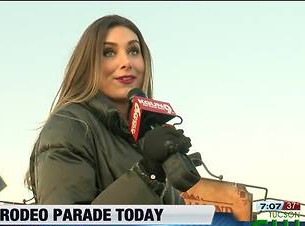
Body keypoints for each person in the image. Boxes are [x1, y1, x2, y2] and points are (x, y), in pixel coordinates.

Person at [27, 15, 197, 205]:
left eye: (133, 51)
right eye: (108, 52)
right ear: (88, 64)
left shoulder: (146, 135)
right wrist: (147, 172)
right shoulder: (69, 126)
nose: (126, 62)